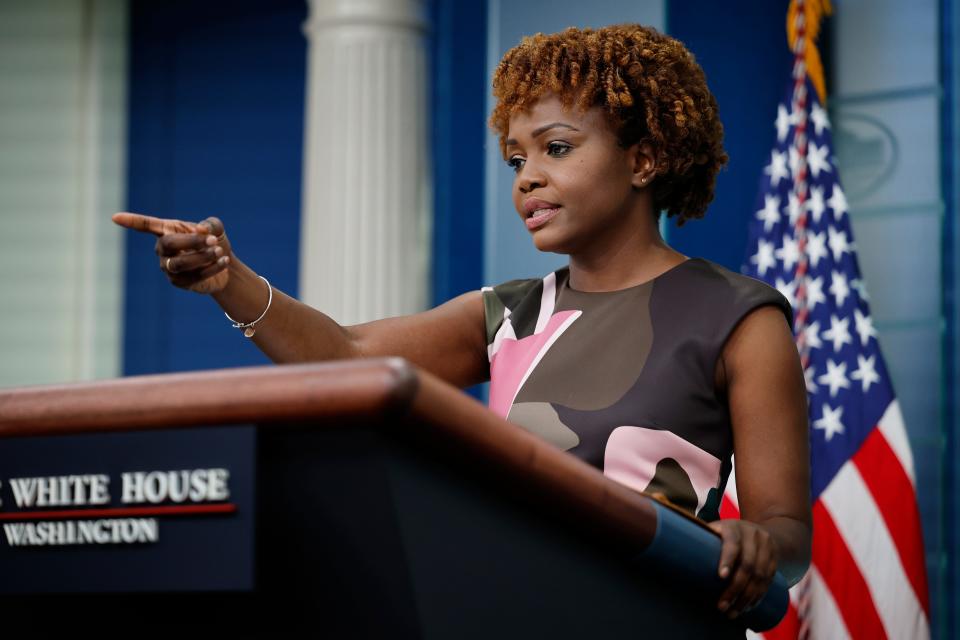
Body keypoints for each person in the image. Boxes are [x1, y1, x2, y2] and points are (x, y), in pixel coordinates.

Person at [114, 24, 811, 620]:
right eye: (516, 158)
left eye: (556, 148)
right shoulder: (511, 313)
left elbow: (786, 534)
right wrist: (226, 280)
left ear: (645, 158)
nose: (527, 177)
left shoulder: (739, 317)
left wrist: (752, 544)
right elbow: (348, 354)